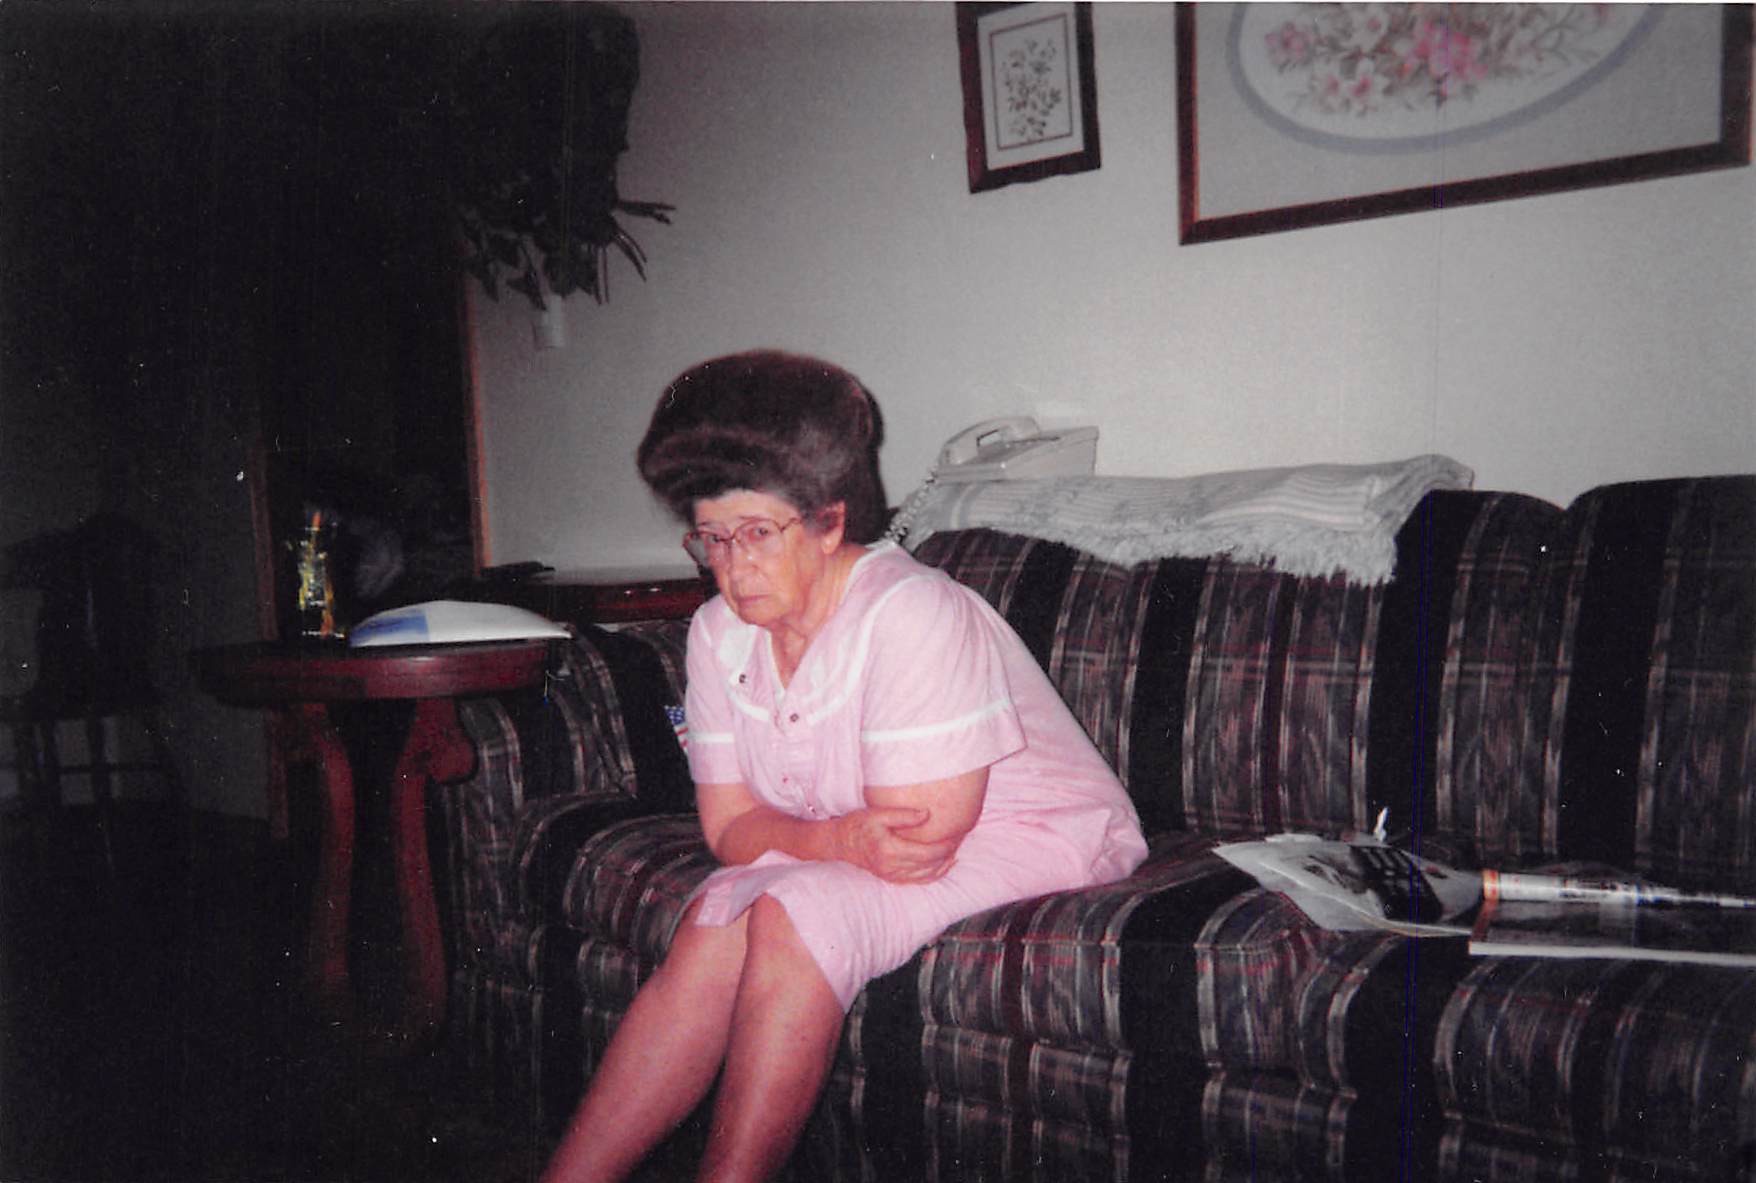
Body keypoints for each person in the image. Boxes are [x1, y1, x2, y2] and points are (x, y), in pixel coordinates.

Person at [541, 350, 1148, 1183]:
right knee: (716, 918)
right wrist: (831, 840)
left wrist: (817, 843)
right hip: (873, 833)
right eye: (712, 538)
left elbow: (914, 840)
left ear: (829, 523)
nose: (733, 568)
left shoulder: (912, 612)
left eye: (759, 533)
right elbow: (728, 829)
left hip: (1038, 829)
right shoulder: (717, 634)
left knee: (797, 909)